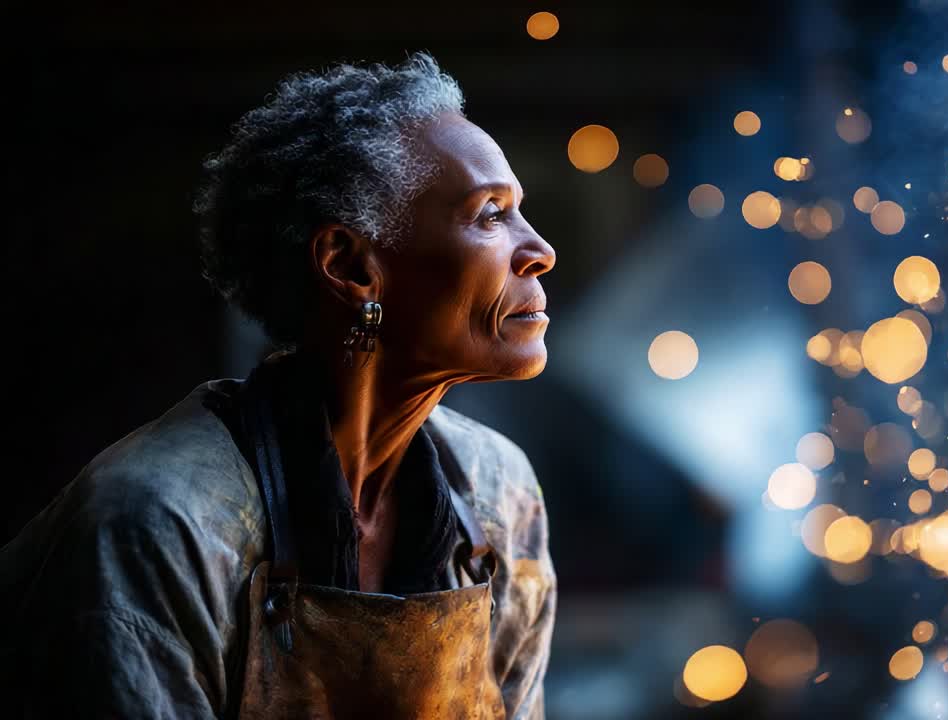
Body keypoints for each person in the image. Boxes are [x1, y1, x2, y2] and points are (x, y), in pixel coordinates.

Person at [0, 52, 557, 719]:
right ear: (349, 265)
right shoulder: (157, 523)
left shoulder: (499, 493)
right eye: (491, 215)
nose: (539, 250)